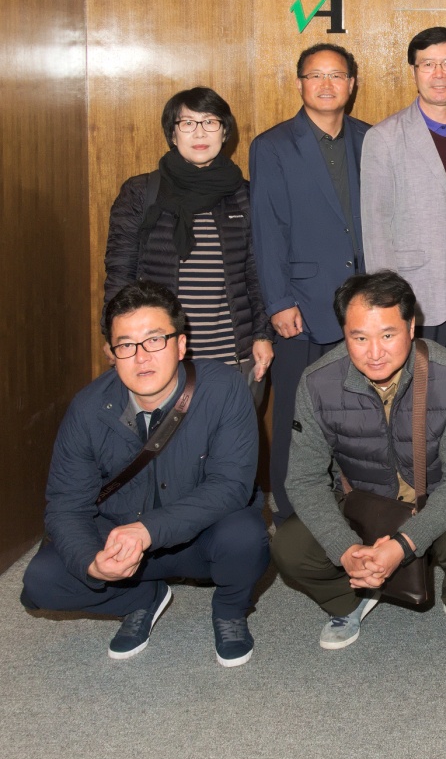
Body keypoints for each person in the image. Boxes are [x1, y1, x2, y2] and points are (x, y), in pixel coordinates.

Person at [21, 281, 269, 667]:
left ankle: (229, 611)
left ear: (181, 345)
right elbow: (66, 505)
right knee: (41, 581)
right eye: (126, 345)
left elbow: (231, 487)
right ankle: (142, 599)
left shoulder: (223, 389)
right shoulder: (87, 409)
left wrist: (149, 529)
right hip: (122, 540)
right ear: (111, 354)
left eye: (154, 340)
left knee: (247, 535)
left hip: (199, 538)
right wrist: (92, 561)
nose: (141, 357)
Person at [271, 271, 446, 652]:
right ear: (344, 332)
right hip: (361, 499)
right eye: (359, 337)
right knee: (289, 548)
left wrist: (403, 544)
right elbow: (304, 480)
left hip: (433, 498)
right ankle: (349, 600)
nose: (374, 352)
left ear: (411, 327)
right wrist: (344, 548)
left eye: (388, 335)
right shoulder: (317, 381)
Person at [250, 43, 371, 519]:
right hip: (300, 306)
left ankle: (357, 508)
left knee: (358, 415)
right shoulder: (273, 145)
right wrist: (278, 301)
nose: (326, 85)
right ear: (299, 83)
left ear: (352, 84)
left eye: (336, 75)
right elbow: (267, 229)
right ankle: (291, 514)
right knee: (297, 418)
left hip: (361, 306)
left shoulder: (369, 138)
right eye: (315, 76)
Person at [103, 87, 273, 405]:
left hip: (232, 353)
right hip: (158, 352)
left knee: (230, 449)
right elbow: (119, 270)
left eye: (210, 122)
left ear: (225, 132)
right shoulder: (142, 192)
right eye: (188, 123)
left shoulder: (245, 195)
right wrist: (114, 334)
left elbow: (257, 272)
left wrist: (263, 334)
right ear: (172, 133)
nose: (199, 132)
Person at [361, 27, 446, 380]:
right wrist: (388, 305)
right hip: (415, 291)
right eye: (427, 64)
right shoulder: (384, 138)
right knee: (420, 396)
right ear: (414, 71)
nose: (439, 74)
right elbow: (376, 226)